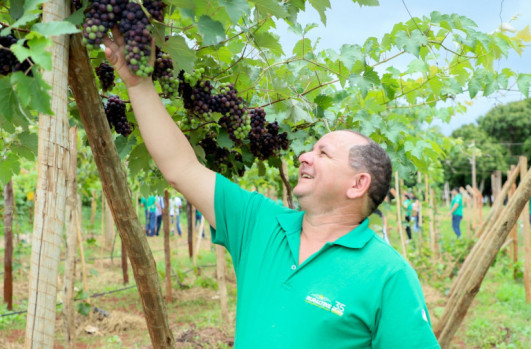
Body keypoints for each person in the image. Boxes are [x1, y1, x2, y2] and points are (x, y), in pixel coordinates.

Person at [104, 29, 440, 348]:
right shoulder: (259, 223)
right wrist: (138, 83)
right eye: (311, 149)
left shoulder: (388, 274)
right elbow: (181, 168)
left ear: (358, 184)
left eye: (323, 153)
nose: (304, 156)